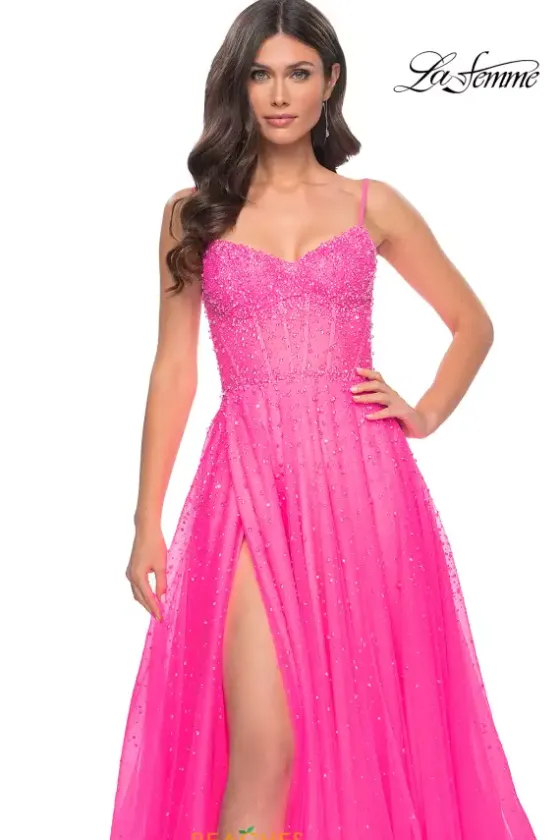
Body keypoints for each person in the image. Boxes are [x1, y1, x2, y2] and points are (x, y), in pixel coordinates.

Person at [109, 1, 538, 839]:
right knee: (263, 748)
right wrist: (145, 520)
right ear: (238, 85)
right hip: (247, 487)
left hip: (366, 490)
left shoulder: (372, 204)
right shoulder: (193, 213)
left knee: (358, 734)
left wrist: (424, 412)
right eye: (261, 74)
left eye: (299, 73)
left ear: (330, 81)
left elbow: (473, 325)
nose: (280, 94)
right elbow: (174, 370)